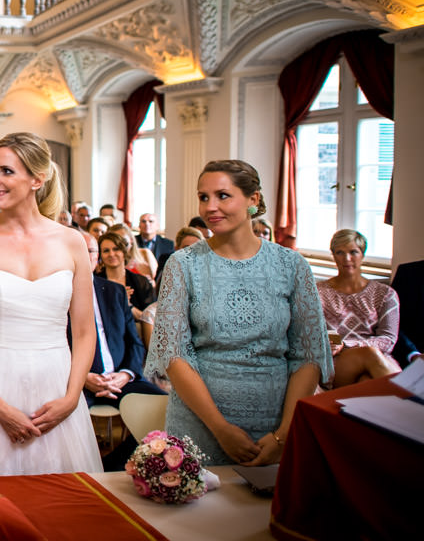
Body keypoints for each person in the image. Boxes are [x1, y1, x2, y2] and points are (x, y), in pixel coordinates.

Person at [144, 160, 332, 467]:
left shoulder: (292, 266)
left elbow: (307, 355)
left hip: (274, 426)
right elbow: (175, 354)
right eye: (203, 197)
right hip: (201, 425)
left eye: (222, 195)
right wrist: (221, 429)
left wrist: (283, 434)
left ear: (253, 199)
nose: (210, 207)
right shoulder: (183, 264)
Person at [0, 132, 101, 479]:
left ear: (36, 179)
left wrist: (72, 397)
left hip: (56, 381)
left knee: (62, 500)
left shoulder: (72, 242)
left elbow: (85, 332)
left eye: (6, 171)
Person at [79, 232, 165, 407]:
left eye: (90, 251)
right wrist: (83, 377)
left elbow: (134, 343)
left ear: (97, 257)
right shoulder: (58, 294)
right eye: (78, 249)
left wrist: (126, 374)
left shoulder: (115, 292)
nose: (84, 255)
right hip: (78, 384)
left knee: (166, 405)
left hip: (120, 380)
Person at [318, 230, 400, 387]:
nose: (346, 258)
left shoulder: (385, 294)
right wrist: (333, 344)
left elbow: (388, 339)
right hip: (336, 361)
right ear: (333, 255)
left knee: (367, 381)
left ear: (363, 254)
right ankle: (412, 405)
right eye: (340, 252)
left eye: (353, 252)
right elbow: (310, 330)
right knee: (370, 354)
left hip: (377, 360)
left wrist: (348, 344)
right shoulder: (317, 292)